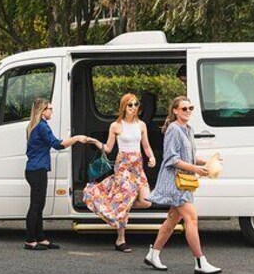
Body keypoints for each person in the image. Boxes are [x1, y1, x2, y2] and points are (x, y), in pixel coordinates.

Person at [144, 96, 222, 274]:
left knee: (172, 219)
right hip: (175, 182)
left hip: (184, 181)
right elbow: (172, 159)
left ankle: (153, 254)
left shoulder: (188, 129)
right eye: (184, 108)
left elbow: (189, 156)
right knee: (192, 218)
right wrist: (196, 168)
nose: (188, 111)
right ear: (175, 111)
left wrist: (208, 162)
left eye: (190, 108)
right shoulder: (173, 129)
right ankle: (200, 262)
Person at [83, 93, 156, 252]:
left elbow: (146, 146)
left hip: (137, 166)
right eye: (130, 105)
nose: (134, 108)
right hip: (122, 167)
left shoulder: (141, 125)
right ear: (124, 107)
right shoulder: (116, 126)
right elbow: (108, 148)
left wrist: (152, 157)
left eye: (136, 104)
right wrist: (94, 141)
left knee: (146, 201)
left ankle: (114, 207)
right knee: (125, 201)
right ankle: (120, 239)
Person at [25, 97, 92, 251]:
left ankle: (40, 238)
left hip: (34, 169)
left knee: (39, 205)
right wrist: (76, 138)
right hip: (37, 170)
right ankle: (30, 240)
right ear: (42, 111)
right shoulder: (42, 127)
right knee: (36, 205)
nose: (52, 111)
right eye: (50, 109)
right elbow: (57, 144)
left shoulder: (35, 126)